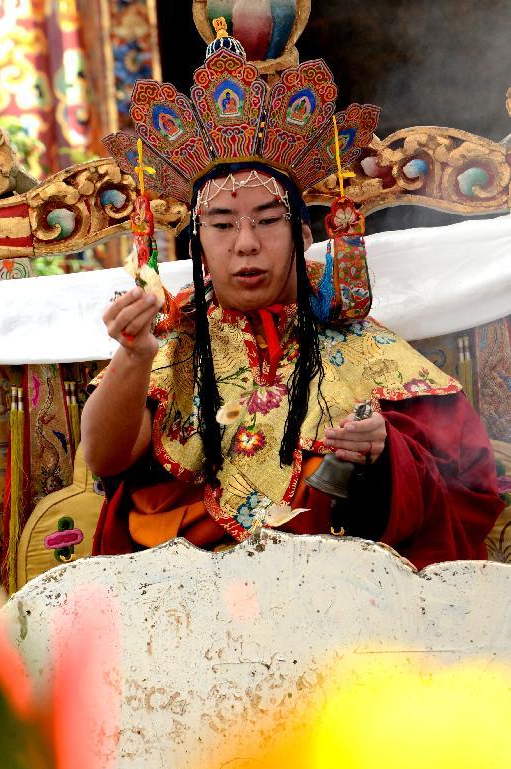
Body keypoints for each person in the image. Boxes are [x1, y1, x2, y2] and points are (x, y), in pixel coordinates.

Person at [82, 29, 503, 571]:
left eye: (266, 220)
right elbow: (105, 458)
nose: (247, 243)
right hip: (189, 599)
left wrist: (385, 455)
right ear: (198, 244)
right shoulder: (175, 338)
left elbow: (466, 486)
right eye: (222, 223)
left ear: (304, 236)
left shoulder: (361, 344)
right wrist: (135, 357)